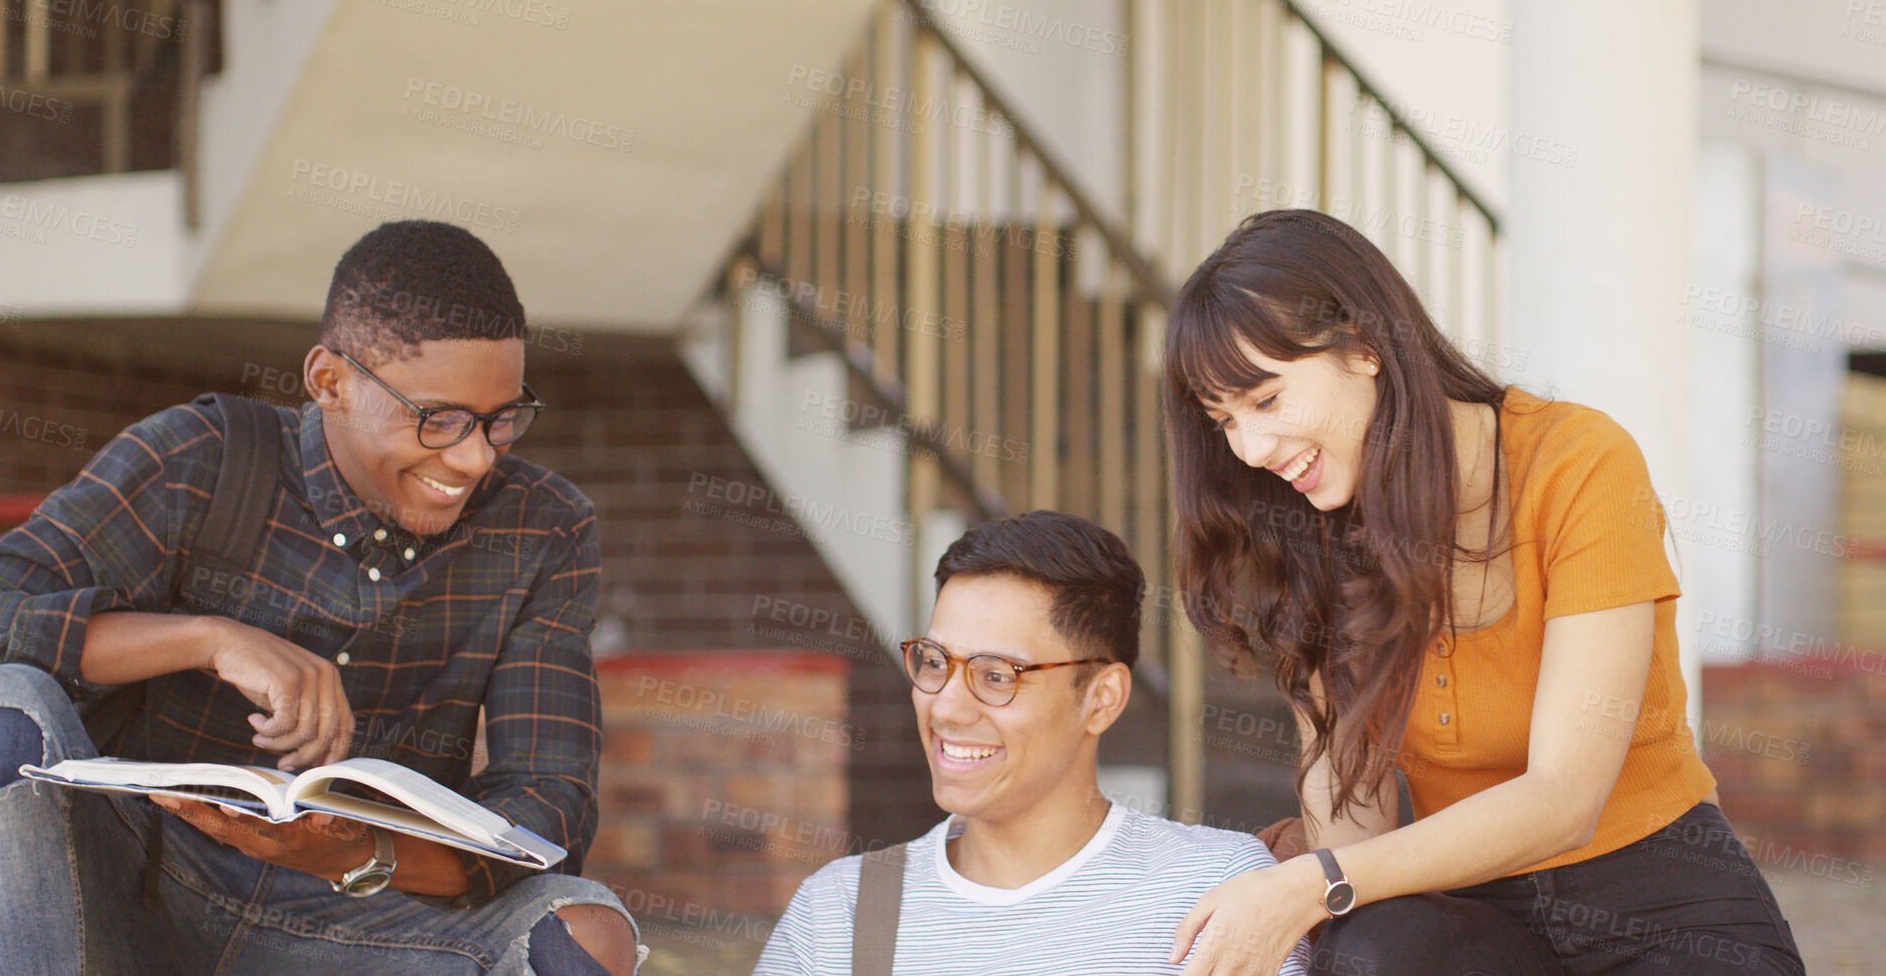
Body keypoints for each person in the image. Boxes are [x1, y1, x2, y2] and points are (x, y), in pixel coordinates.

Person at [0, 221, 643, 975]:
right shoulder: (199, 458)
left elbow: (547, 808)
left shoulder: (542, 526)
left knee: (586, 931)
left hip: (359, 916)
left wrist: (356, 849)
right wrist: (206, 638)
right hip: (128, 891)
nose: (474, 457)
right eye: (437, 419)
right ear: (329, 381)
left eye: (501, 418)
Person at [1159, 209, 1805, 975]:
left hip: (1661, 904)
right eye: (1222, 420)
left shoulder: (1576, 464)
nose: (1250, 449)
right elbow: (1353, 848)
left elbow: (1565, 799)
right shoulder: (1308, 530)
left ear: (1364, 347)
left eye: (1265, 401)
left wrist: (1316, 878)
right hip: (1470, 917)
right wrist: (1315, 876)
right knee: (1367, 949)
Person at [755, 510, 1311, 975]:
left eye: (996, 675)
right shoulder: (840, 916)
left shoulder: (1221, 893)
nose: (946, 705)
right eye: (933, 662)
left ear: (1102, 698)